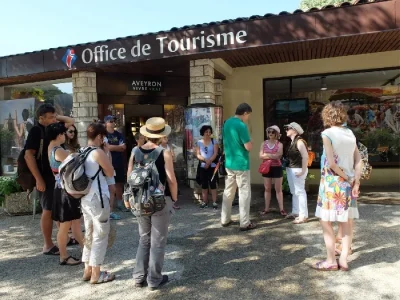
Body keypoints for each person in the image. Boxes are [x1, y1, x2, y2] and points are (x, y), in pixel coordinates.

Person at [128, 117, 178, 290]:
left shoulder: (135, 151)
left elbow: (129, 176)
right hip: (159, 200)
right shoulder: (164, 152)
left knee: (144, 239)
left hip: (139, 199)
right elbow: (171, 179)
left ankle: (138, 276)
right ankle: (154, 279)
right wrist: (174, 197)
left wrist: (129, 199)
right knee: (158, 241)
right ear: (162, 135)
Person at [314, 101, 362, 271]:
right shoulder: (350, 133)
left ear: (326, 115)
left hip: (332, 183)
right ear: (343, 115)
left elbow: (332, 164)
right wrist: (355, 180)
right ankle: (343, 259)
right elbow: (359, 160)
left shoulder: (327, 134)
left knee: (325, 221)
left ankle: (330, 260)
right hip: (348, 185)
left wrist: (347, 178)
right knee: (347, 222)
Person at [24, 103, 74, 255]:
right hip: (45, 175)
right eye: (50, 117)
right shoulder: (36, 131)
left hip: (56, 175)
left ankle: (63, 238)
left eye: (54, 117)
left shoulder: (52, 126)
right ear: (41, 118)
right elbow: (28, 155)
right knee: (48, 209)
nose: (54, 120)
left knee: (57, 207)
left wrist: (55, 116)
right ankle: (48, 244)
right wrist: (38, 179)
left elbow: (71, 121)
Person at [81, 123, 116, 284]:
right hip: (98, 198)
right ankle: (96, 273)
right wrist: (107, 153)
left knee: (89, 232)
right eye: (103, 137)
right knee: (100, 235)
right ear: (100, 137)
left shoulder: (82, 151)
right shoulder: (98, 152)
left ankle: (87, 269)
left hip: (86, 198)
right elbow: (110, 172)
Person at [47, 122, 83, 265]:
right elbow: (75, 162)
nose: (65, 135)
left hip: (62, 189)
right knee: (65, 226)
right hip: (64, 191)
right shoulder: (58, 150)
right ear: (58, 135)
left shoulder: (53, 148)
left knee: (75, 224)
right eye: (63, 133)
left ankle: (85, 249)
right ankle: (64, 255)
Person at [221, 103, 256, 231]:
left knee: (228, 191)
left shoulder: (227, 123)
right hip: (241, 163)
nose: (248, 118)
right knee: (244, 192)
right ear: (245, 113)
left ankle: (225, 219)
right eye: (248, 115)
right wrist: (251, 142)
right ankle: (245, 222)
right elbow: (248, 147)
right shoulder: (242, 125)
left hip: (229, 162)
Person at [284, 122, 309, 224]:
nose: (286, 130)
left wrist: (303, 170)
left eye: (287, 128)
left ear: (294, 130)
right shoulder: (292, 142)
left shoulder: (299, 142)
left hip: (297, 169)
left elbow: (305, 156)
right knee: (294, 192)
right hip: (291, 169)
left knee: (300, 192)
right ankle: (296, 212)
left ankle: (303, 215)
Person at [259, 125, 287, 216]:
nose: (270, 133)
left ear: (277, 134)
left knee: (278, 189)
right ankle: (266, 208)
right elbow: (260, 156)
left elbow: (279, 156)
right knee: (267, 188)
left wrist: (266, 154)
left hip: (277, 167)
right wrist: (272, 155)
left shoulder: (280, 144)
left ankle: (282, 209)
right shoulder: (264, 143)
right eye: (269, 132)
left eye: (272, 132)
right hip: (267, 168)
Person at [104, 115, 126, 219]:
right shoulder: (103, 134)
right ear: (106, 123)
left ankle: (119, 204)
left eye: (114, 121)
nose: (113, 123)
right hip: (108, 163)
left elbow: (123, 148)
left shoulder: (119, 134)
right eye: (111, 121)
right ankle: (109, 207)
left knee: (119, 183)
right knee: (109, 186)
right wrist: (117, 147)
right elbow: (107, 147)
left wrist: (112, 148)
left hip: (118, 162)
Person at [195, 125, 219, 210]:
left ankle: (214, 202)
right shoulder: (199, 142)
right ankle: (205, 201)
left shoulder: (214, 141)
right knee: (204, 184)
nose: (208, 133)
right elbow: (198, 154)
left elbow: (215, 153)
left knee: (213, 184)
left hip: (212, 166)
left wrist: (209, 162)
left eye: (209, 132)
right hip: (203, 166)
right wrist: (205, 160)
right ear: (203, 133)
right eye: (206, 132)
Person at [160, 136, 180, 210]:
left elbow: (173, 156)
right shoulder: (158, 147)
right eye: (163, 138)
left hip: (169, 166)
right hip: (162, 168)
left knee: (171, 184)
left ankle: (172, 202)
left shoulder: (169, 146)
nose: (165, 139)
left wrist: (171, 156)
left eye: (166, 138)